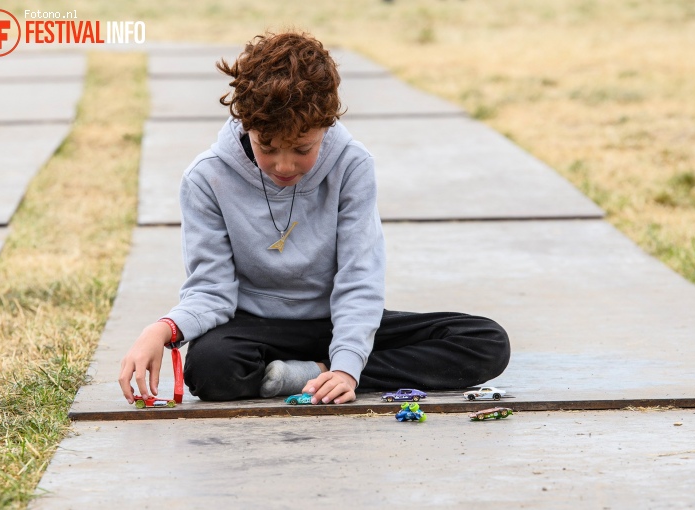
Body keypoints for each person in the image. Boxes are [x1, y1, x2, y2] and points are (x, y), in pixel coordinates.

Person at [119, 31, 510, 406]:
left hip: (337, 320)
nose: (283, 165)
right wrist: (163, 330)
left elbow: (359, 277)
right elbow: (211, 290)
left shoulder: (352, 164)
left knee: (485, 341)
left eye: (302, 148)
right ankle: (325, 375)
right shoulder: (206, 178)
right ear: (246, 123)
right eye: (267, 147)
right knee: (210, 367)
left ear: (327, 124)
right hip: (257, 327)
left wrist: (346, 366)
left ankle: (322, 374)